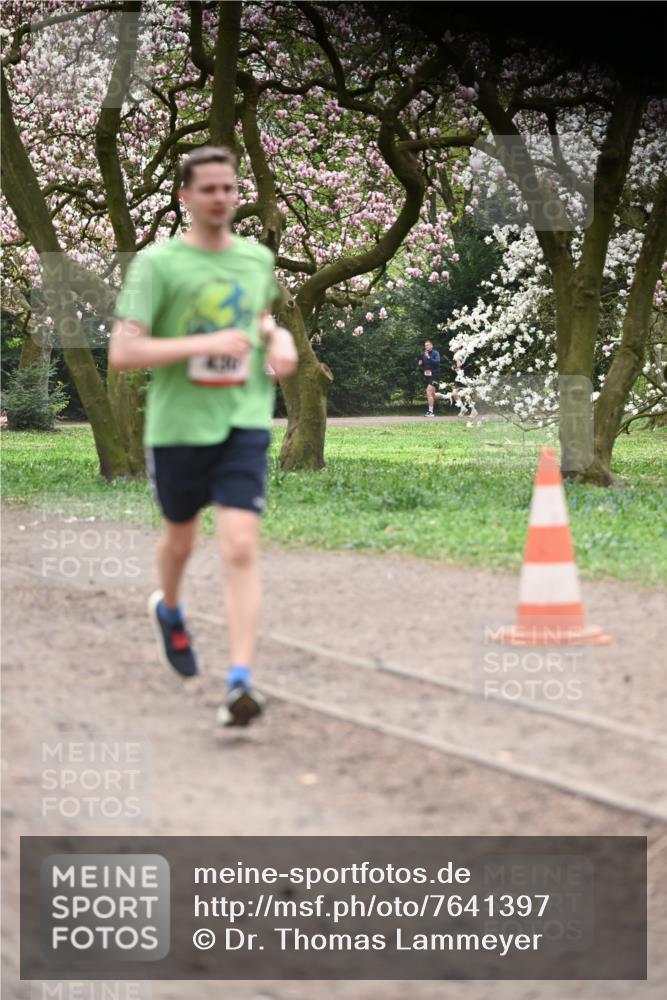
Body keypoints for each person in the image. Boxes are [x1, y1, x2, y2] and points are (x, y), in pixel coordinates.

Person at [109, 145, 297, 727]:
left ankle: (240, 680)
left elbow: (258, 317)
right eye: (209, 189)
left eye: (230, 189)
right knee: (182, 543)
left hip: (243, 419)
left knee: (239, 545)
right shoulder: (158, 265)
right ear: (184, 197)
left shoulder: (255, 260)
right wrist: (201, 345)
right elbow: (123, 351)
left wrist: (279, 338)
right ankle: (169, 610)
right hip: (178, 426)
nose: (221, 198)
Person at [418, 340, 443, 416]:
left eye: (428, 345)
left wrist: (429, 357)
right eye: (425, 345)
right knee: (433, 395)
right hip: (428, 376)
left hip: (435, 375)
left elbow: (437, 363)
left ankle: (430, 412)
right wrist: (420, 364)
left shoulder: (436, 353)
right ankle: (447, 396)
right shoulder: (423, 354)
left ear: (431, 346)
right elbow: (424, 365)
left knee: (428, 392)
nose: (427, 346)